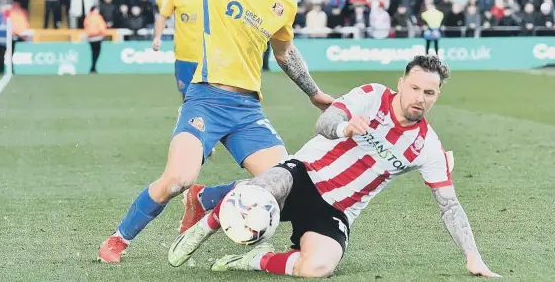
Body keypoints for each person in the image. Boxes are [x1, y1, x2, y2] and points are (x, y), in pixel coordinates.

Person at [97, 0, 334, 263]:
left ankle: (204, 198)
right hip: (206, 98)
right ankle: (120, 238)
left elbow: (284, 52)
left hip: (248, 111)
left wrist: (314, 93)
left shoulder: (284, 3)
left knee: (286, 183)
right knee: (177, 178)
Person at [168, 55, 501, 279]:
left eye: (429, 92)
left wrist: (473, 256)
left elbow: (449, 205)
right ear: (401, 83)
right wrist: (345, 128)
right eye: (415, 88)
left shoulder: (427, 146)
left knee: (318, 266)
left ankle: (254, 259)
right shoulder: (371, 96)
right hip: (303, 174)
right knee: (266, 184)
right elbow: (325, 122)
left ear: (437, 95)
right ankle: (205, 226)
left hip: (337, 210)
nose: (420, 97)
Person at [152, 0, 202, 99]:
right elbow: (162, 16)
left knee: (211, 100)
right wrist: (157, 37)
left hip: (210, 57)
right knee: (187, 98)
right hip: (184, 56)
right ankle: (189, 118)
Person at [84, 6, 107, 73]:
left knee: (93, 52)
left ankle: (93, 67)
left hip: (90, 38)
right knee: (96, 52)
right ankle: (93, 67)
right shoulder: (98, 17)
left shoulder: (88, 17)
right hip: (98, 37)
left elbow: (85, 26)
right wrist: (104, 34)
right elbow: (102, 27)